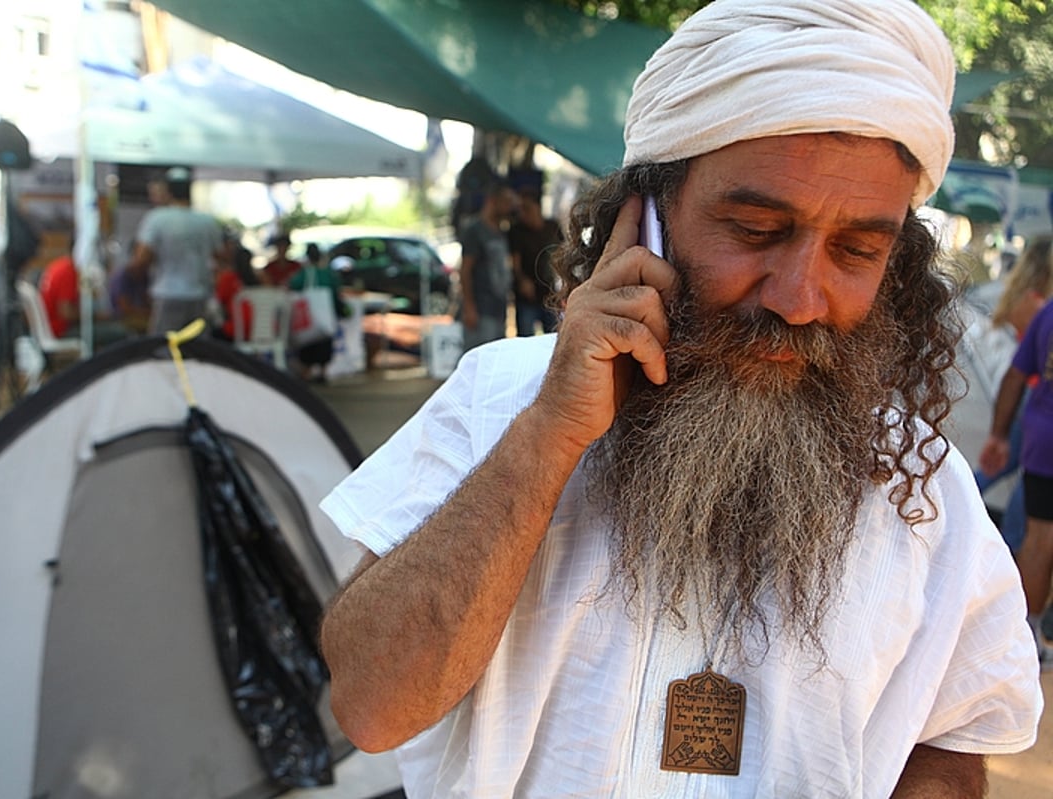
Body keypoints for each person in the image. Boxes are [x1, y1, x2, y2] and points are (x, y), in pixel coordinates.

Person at [316, 2, 1043, 796]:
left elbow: (950, 740)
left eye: (856, 250)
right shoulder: (499, 398)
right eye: (757, 230)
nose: (801, 298)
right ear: (646, 221)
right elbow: (371, 707)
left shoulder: (923, 490)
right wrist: (549, 437)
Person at [980, 284, 1053, 667]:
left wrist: (998, 435)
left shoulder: (1049, 311)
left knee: (1039, 538)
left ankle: (1026, 634)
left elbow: (1015, 375)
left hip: (1044, 438)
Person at [974, 237, 1053, 552]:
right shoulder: (1039, 304)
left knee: (999, 470)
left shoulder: (1024, 298)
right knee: (1025, 486)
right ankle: (1006, 547)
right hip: (1032, 397)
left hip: (1026, 398)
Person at [124, 166, 224, 335]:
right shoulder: (207, 221)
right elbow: (220, 256)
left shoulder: (157, 218)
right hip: (199, 295)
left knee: (164, 349)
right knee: (196, 350)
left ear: (168, 191)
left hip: (168, 294)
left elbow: (141, 259)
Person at [457, 180, 517, 351]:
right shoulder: (474, 230)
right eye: (506, 202)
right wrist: (469, 306)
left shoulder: (500, 231)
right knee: (479, 357)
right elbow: (465, 269)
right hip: (481, 308)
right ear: (492, 200)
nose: (509, 207)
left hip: (498, 307)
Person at [38, 247, 130, 350]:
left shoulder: (59, 265)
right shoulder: (68, 270)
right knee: (120, 332)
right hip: (60, 330)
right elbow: (66, 313)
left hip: (51, 327)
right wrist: (96, 316)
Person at [287, 242, 346, 382]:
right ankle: (323, 371)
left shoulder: (303, 274)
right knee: (324, 343)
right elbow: (336, 294)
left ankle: (306, 371)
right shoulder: (328, 274)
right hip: (325, 317)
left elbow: (292, 287)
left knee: (308, 344)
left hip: (309, 318)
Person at [508, 187, 563, 335]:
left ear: (537, 207)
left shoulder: (552, 227)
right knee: (525, 337)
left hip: (550, 293)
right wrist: (522, 281)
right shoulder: (517, 231)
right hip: (527, 296)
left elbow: (563, 253)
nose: (523, 214)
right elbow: (514, 261)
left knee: (554, 336)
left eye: (526, 208)